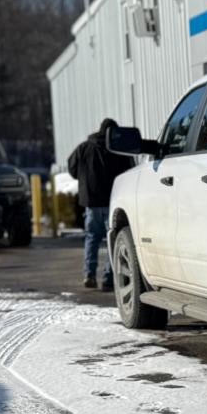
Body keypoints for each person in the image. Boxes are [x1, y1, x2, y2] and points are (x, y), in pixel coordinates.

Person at [65, 118, 133, 291]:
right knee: (114, 238)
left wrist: (85, 179)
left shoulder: (84, 147)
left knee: (92, 238)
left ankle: (89, 275)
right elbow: (130, 171)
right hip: (112, 201)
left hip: (91, 202)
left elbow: (72, 168)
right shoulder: (119, 149)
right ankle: (108, 279)